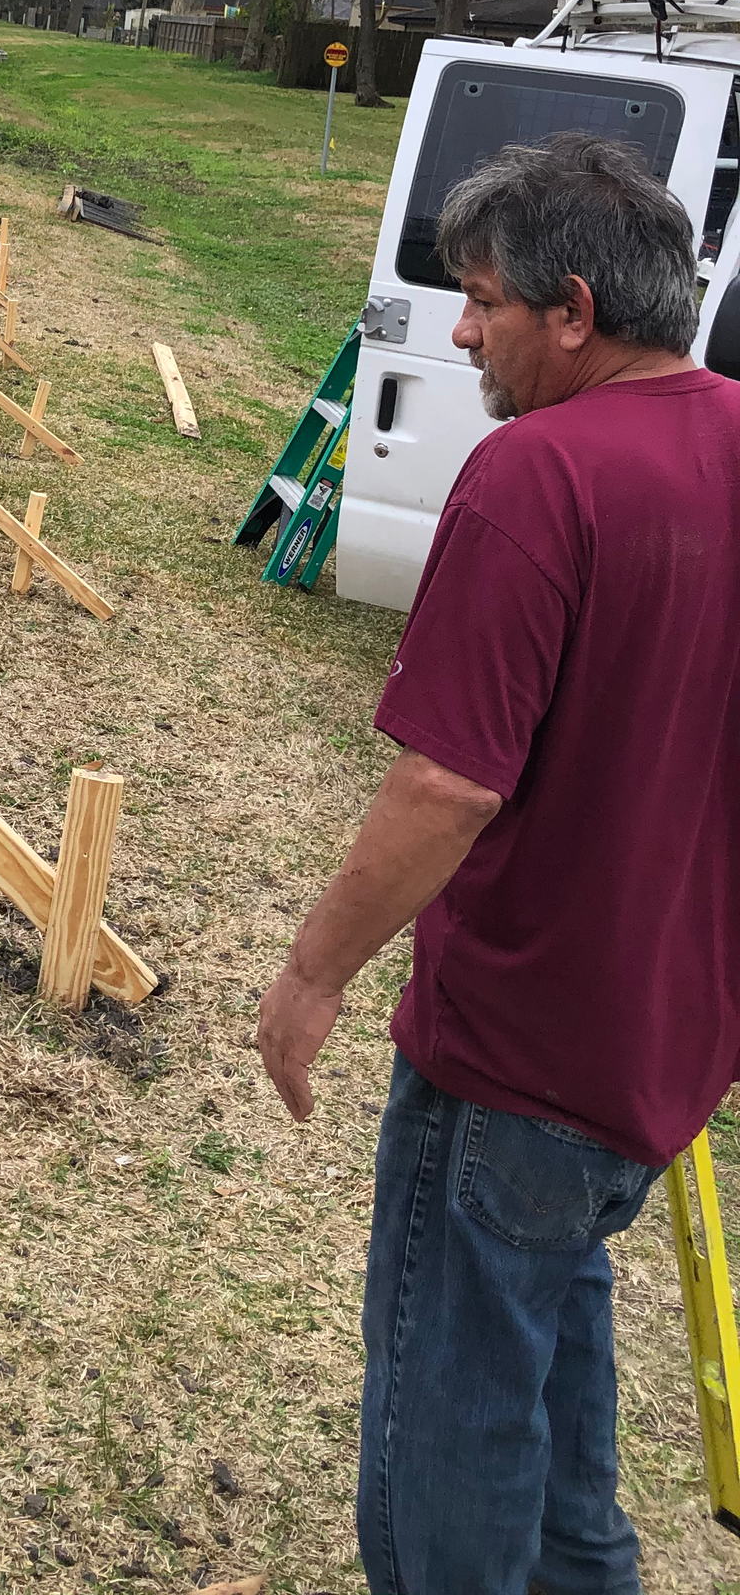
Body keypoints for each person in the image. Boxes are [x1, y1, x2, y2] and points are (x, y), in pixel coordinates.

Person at [256, 133, 740, 1595]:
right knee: (552, 1345)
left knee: (451, 1407)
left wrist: (309, 975)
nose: (457, 330)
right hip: (663, 1053)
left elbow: (448, 784)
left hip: (519, 1055)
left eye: (480, 302)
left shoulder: (539, 477)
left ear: (574, 309)